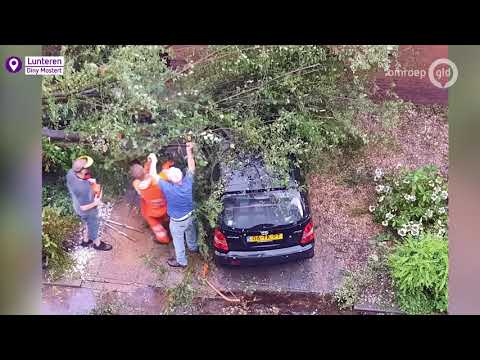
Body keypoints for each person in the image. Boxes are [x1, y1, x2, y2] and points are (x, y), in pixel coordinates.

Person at [148, 142, 197, 268]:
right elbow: (191, 167)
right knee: (191, 232)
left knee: (178, 241)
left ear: (170, 179)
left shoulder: (168, 188)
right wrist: (189, 151)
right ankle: (193, 247)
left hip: (177, 222)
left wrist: (153, 160)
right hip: (191, 216)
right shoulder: (187, 183)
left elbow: (153, 176)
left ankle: (181, 261)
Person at [66, 158, 112, 251]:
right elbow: (83, 207)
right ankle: (97, 244)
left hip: (77, 205)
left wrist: (88, 180)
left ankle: (86, 241)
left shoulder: (71, 173)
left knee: (87, 223)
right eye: (86, 168)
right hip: (86, 209)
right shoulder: (81, 189)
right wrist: (96, 202)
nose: (88, 169)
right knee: (93, 224)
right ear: (82, 170)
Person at [130, 158, 173, 244]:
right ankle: (168, 219)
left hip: (153, 212)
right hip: (166, 207)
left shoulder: (136, 184)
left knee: (147, 214)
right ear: (143, 170)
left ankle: (163, 238)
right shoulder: (159, 179)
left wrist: (147, 165)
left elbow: (142, 176)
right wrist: (167, 165)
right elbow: (165, 173)